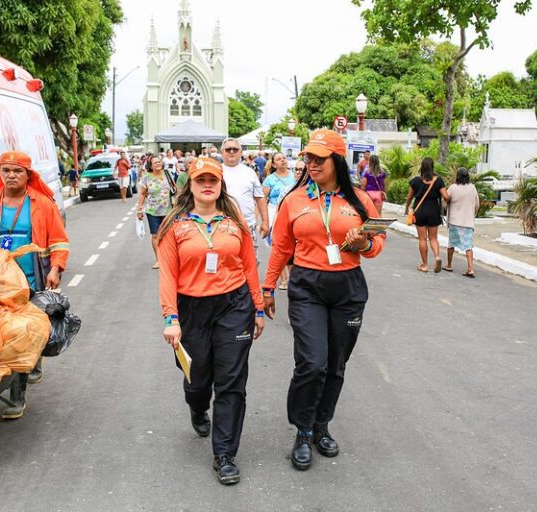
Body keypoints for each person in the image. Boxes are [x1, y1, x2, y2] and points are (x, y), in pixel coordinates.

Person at [262, 129, 385, 471]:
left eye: (319, 158)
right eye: (308, 158)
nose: (311, 163)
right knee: (312, 362)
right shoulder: (294, 199)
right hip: (307, 286)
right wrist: (268, 288)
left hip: (348, 287)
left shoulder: (360, 199)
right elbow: (282, 247)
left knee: (335, 364)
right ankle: (302, 430)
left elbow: (377, 243)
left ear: (338, 161)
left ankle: (321, 425)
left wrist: (363, 244)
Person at [158, 157, 264, 485]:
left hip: (234, 306)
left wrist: (257, 308)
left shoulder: (235, 224)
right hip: (191, 309)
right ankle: (197, 405)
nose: (207, 184)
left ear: (221, 185)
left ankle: (225, 454)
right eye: (201, 179)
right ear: (189, 185)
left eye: (213, 180)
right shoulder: (174, 227)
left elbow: (248, 267)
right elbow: (167, 275)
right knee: (197, 376)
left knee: (231, 381)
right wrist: (170, 318)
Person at [0, 150, 70, 419]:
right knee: (5, 335)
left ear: (28, 175)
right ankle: (25, 366)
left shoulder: (42, 204)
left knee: (23, 334)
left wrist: (56, 267)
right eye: (6, 170)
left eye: (18, 171)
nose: (11, 175)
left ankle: (17, 397)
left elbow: (59, 241)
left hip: (32, 279)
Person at [221, 138, 270, 262]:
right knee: (224, 264)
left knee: (251, 263)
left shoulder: (249, 172)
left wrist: (265, 222)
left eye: (235, 149)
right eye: (228, 149)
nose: (231, 151)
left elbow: (259, 198)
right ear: (222, 152)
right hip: (221, 228)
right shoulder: (216, 171)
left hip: (247, 226)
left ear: (240, 152)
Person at [404, 157, 450, 273]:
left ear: (422, 167)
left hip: (419, 212)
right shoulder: (438, 180)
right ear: (432, 167)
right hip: (433, 211)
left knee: (422, 239)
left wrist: (406, 208)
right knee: (433, 238)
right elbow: (446, 197)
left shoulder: (415, 181)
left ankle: (425, 265)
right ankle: (437, 257)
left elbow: (409, 197)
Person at [262, 152, 296, 289]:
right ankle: (284, 279)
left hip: (292, 212)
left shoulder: (295, 177)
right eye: (279, 159)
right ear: (274, 164)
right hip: (274, 212)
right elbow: (263, 200)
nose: (282, 160)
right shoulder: (269, 180)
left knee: (293, 245)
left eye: (283, 158)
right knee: (279, 245)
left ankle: (293, 277)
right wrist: (263, 220)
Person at [137, 156, 175, 269]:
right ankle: (158, 260)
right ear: (150, 165)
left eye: (159, 162)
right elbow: (143, 194)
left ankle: (170, 258)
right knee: (155, 235)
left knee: (169, 235)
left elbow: (175, 189)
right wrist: (139, 209)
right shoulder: (146, 177)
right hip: (152, 211)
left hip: (168, 210)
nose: (158, 164)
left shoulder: (168, 174)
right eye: (155, 163)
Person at [444, 167, 480, 277]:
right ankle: (470, 268)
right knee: (468, 246)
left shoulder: (453, 188)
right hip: (467, 222)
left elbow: (445, 203)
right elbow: (477, 204)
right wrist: (472, 215)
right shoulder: (472, 188)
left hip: (455, 221)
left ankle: (449, 265)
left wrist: (445, 210)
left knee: (451, 244)